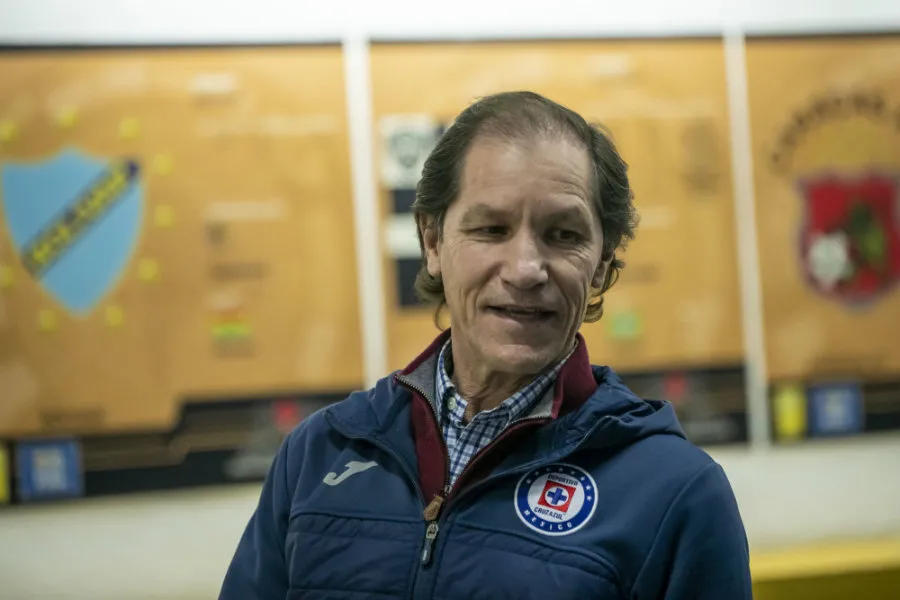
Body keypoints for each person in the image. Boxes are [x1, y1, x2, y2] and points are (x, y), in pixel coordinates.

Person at [219, 90, 753, 599]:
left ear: (602, 263)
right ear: (432, 241)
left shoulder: (676, 493)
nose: (525, 269)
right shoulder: (317, 455)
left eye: (564, 235)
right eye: (492, 228)